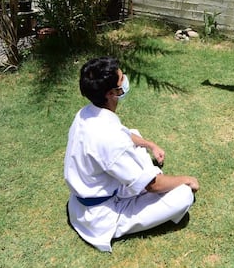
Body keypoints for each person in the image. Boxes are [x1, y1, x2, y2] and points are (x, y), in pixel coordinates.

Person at [64, 56, 199, 252]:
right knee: (183, 195)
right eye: (121, 79)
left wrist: (150, 144)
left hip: (82, 201)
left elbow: (125, 135)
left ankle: (141, 173)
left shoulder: (85, 113)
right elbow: (153, 186)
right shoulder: (110, 139)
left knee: (134, 134)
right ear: (112, 93)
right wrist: (187, 179)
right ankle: (124, 218)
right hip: (102, 215)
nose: (125, 79)